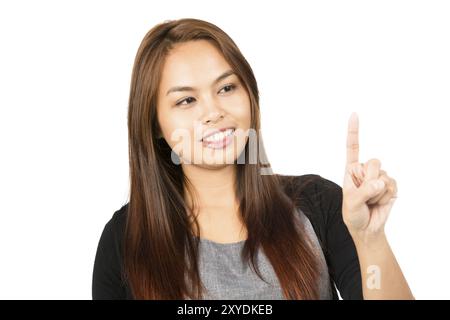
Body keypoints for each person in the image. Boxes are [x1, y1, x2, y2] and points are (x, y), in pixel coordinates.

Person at [92, 18, 414, 300]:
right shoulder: (125, 239)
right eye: (187, 100)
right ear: (155, 125)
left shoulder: (319, 205)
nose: (214, 111)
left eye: (227, 87)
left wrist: (370, 240)